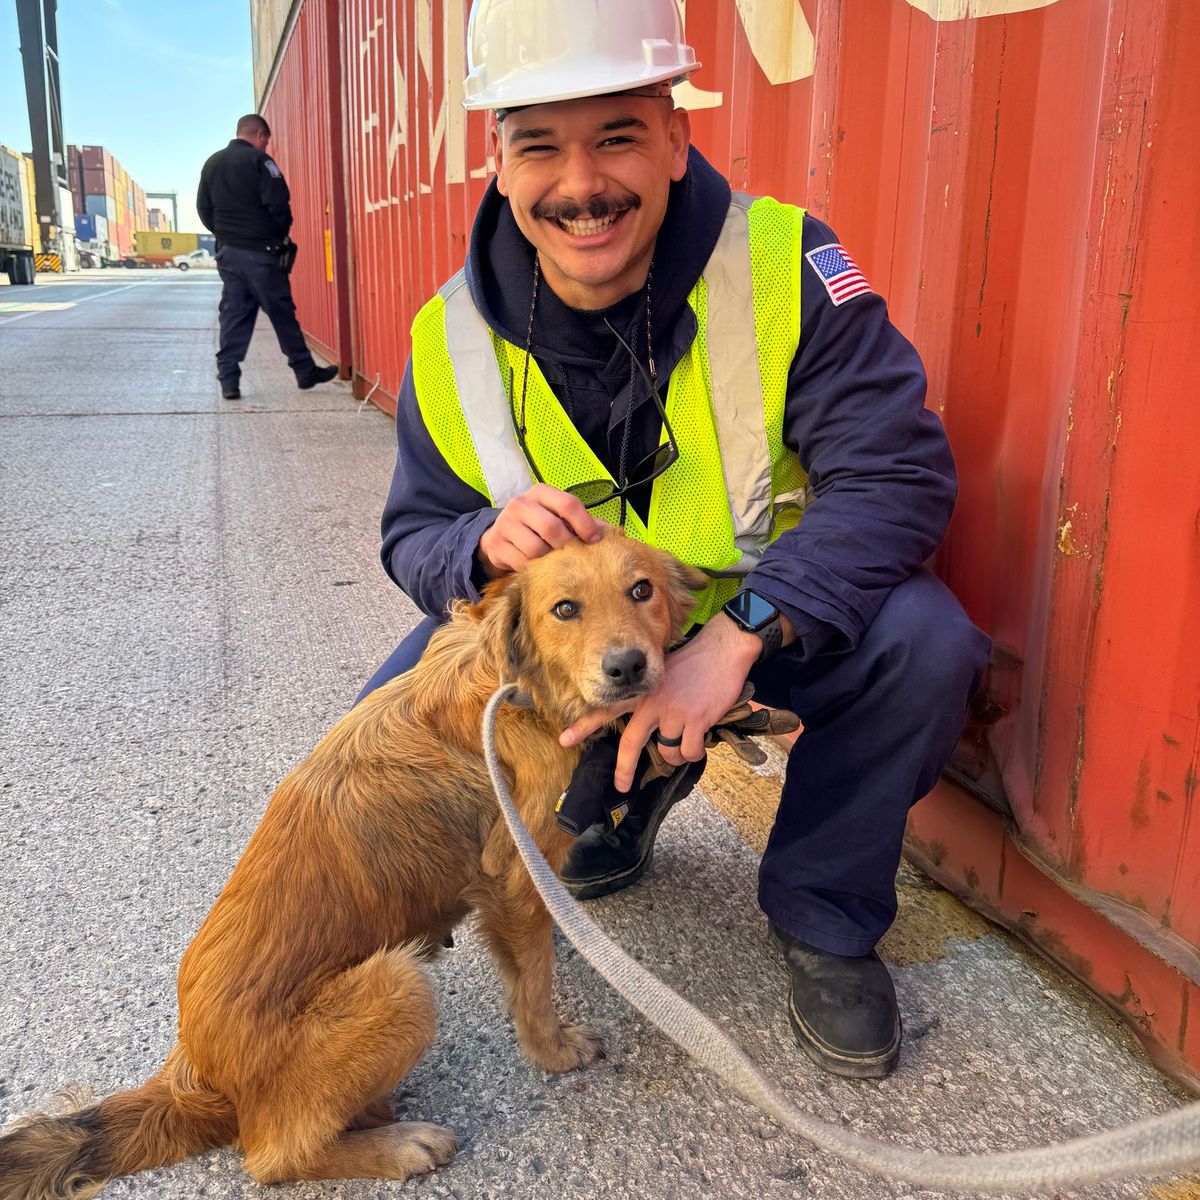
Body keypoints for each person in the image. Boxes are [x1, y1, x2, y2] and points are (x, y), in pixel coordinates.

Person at [360, 0, 990, 1080]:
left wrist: (739, 630)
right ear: (500, 164)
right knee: (385, 730)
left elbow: (897, 472)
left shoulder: (785, 265)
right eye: (539, 145)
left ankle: (827, 915)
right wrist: (476, 539)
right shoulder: (446, 336)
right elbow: (413, 535)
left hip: (772, 627)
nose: (580, 184)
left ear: (675, 135)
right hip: (581, 659)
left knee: (926, 642)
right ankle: (620, 790)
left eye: (616, 134)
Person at [196, 114, 338, 400]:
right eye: (266, 141)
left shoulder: (212, 163)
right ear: (260, 135)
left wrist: (228, 236)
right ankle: (304, 371)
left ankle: (229, 380)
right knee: (282, 314)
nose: (265, 146)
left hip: (230, 255)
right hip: (261, 255)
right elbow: (279, 205)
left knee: (234, 314)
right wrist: (276, 237)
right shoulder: (261, 163)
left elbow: (204, 209)